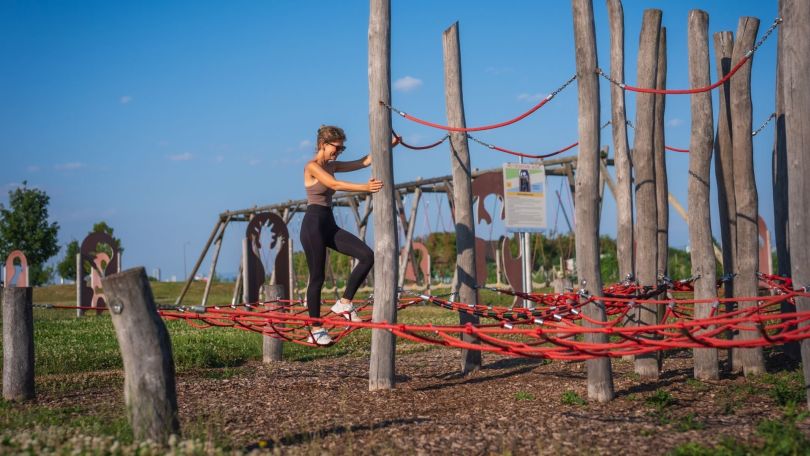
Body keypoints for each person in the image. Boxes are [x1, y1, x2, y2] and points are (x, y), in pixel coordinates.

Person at [301, 125, 399, 345]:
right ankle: (315, 329)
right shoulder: (312, 166)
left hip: (328, 223)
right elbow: (334, 184)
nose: (339, 151)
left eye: (342, 148)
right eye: (336, 147)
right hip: (313, 225)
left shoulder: (332, 165)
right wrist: (366, 188)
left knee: (367, 255)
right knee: (317, 277)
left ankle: (344, 303)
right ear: (322, 144)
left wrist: (388, 146)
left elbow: (364, 161)